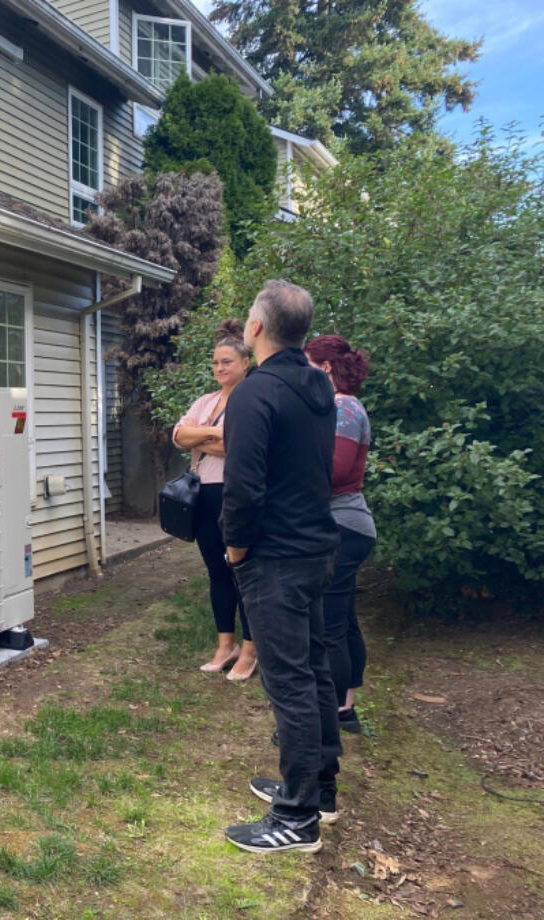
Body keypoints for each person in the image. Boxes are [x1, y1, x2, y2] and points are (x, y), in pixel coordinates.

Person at [220, 280, 341, 854]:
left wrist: (237, 550)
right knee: (314, 672)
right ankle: (319, 789)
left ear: (257, 329)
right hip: (318, 549)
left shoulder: (253, 392)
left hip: (277, 558)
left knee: (289, 683)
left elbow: (243, 488)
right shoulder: (320, 384)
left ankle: (296, 818)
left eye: (247, 316)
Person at [172, 320, 258, 680]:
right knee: (216, 571)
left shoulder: (250, 400)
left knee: (244, 572)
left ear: (245, 364)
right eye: (216, 363)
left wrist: (203, 439)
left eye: (227, 362)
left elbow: (239, 446)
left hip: (235, 492)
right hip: (203, 494)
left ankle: (251, 650)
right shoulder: (206, 401)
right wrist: (211, 432)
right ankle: (226, 645)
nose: (220, 368)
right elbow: (178, 435)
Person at [305, 335, 376, 734]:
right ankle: (345, 711)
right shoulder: (338, 407)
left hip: (342, 527)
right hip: (348, 526)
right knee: (344, 620)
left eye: (309, 365)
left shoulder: (344, 407)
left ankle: (326, 719)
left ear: (326, 367)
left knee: (329, 627)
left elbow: (331, 473)